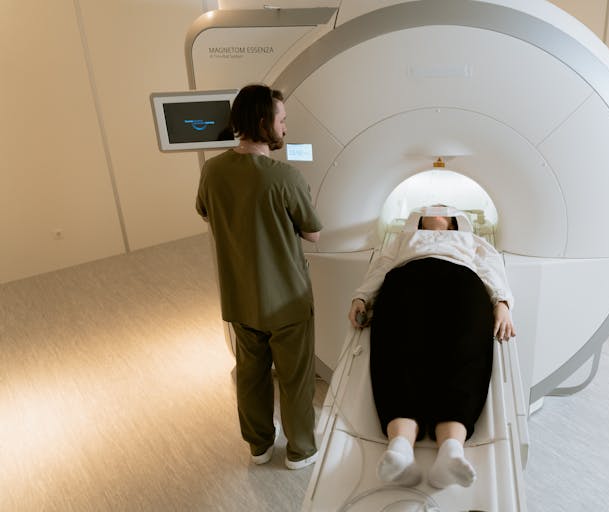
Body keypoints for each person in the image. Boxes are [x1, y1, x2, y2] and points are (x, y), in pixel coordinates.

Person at [196, 84, 323, 470]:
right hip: (286, 299)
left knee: (251, 374)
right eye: (282, 120)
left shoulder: (213, 170)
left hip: (240, 297)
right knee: (295, 378)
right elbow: (313, 233)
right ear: (265, 122)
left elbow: (205, 211)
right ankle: (299, 450)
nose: (286, 127)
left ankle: (259, 446)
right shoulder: (285, 177)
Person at [347, 210, 515, 488]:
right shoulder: (404, 239)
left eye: (443, 212)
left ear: (454, 222)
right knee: (398, 348)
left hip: (462, 281)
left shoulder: (469, 240)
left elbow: (491, 267)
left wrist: (502, 303)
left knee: (465, 350)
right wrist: (361, 296)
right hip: (407, 279)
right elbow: (382, 266)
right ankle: (400, 448)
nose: (435, 214)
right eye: (428, 212)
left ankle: (451, 451)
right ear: (418, 221)